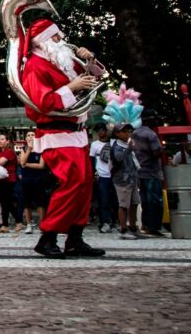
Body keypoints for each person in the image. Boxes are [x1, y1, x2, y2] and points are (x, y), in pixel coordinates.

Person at [20, 18, 105, 258]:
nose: (61, 39)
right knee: (73, 183)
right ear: (43, 40)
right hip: (55, 132)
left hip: (76, 132)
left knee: (85, 183)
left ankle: (75, 238)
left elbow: (95, 78)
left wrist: (89, 61)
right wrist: (72, 86)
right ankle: (48, 237)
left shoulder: (63, 61)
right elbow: (43, 102)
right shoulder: (35, 66)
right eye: (55, 36)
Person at [132, 111, 166, 237]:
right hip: (152, 171)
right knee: (155, 200)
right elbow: (156, 151)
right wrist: (163, 149)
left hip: (140, 171)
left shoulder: (135, 133)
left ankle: (145, 224)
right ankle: (153, 226)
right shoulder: (151, 134)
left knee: (145, 200)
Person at [19, 131, 47, 235]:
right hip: (26, 179)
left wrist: (27, 165)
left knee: (40, 202)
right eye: (28, 135)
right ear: (26, 138)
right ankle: (29, 224)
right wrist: (29, 150)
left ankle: (42, 224)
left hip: (38, 179)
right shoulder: (24, 149)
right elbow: (22, 162)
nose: (31, 137)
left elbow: (41, 165)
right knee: (27, 202)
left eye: (33, 135)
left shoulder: (41, 150)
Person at [89, 124, 116, 233]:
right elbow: (91, 161)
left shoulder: (114, 143)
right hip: (101, 174)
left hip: (114, 175)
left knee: (115, 201)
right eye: (98, 131)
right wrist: (93, 174)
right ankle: (104, 222)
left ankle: (113, 221)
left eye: (102, 130)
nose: (100, 132)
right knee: (103, 200)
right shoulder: (94, 145)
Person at [0, 134, 19, 233]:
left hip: (9, 180)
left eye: (3, 139)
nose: (0, 141)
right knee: (4, 203)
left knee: (7, 202)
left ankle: (17, 221)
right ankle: (5, 225)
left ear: (7, 141)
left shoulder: (9, 152)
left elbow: (1, 162)